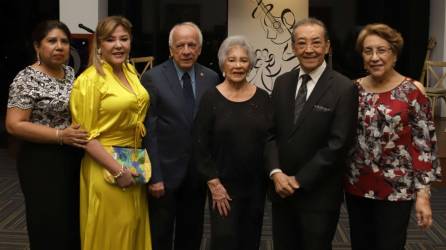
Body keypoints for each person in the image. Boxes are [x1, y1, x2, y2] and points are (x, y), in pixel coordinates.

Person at [344, 23, 442, 250]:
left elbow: (424, 146)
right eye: (368, 51)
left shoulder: (412, 90)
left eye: (382, 50)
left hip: (397, 189)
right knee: (360, 244)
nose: (374, 57)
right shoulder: (352, 89)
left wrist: (423, 195)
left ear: (395, 54)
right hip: (357, 185)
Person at [265, 17, 359, 250]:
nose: (309, 50)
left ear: (327, 46)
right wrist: (276, 173)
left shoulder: (343, 87)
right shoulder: (281, 83)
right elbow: (270, 134)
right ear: (293, 47)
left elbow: (338, 144)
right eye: (302, 43)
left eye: (316, 43)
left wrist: (298, 180)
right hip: (281, 192)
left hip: (319, 195)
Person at [69, 16, 151, 250]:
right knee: (113, 232)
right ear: (99, 44)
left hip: (132, 160)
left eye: (124, 39)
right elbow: (85, 136)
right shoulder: (89, 81)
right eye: (110, 39)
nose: (118, 45)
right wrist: (117, 170)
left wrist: (129, 167)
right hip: (105, 164)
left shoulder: (130, 71)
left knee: (132, 226)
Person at [5, 20, 87, 250]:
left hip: (72, 157)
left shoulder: (70, 73)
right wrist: (61, 135)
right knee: (49, 225)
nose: (59, 46)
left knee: (72, 222)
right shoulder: (26, 79)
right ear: (37, 47)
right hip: (41, 160)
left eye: (64, 41)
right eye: (52, 41)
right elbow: (14, 125)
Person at [141, 22, 219, 250]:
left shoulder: (212, 78)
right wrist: (154, 175)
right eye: (180, 45)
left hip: (196, 175)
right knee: (160, 235)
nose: (186, 50)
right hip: (163, 174)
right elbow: (149, 131)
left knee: (192, 234)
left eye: (191, 45)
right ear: (171, 49)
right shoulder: (152, 78)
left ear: (200, 49)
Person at [194, 36, 270, 250]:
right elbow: (200, 144)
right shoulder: (211, 98)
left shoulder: (263, 98)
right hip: (223, 188)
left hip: (255, 187)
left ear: (250, 64)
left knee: (251, 239)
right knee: (224, 241)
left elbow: (270, 141)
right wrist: (214, 184)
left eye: (243, 60)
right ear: (223, 64)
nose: (238, 65)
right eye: (232, 60)